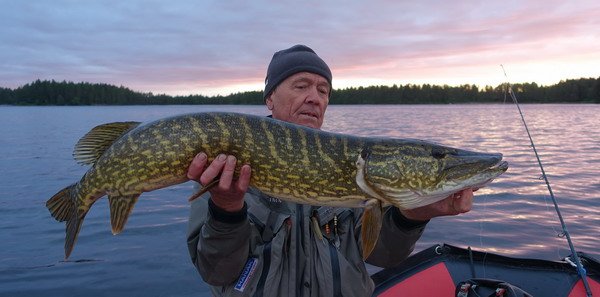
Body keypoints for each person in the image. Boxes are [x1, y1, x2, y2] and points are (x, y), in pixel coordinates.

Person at [186, 44, 474, 296]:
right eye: (301, 86)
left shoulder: (353, 170)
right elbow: (216, 272)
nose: (315, 97)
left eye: (323, 91)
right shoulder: (225, 165)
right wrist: (226, 210)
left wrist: (414, 215)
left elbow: (383, 255)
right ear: (270, 98)